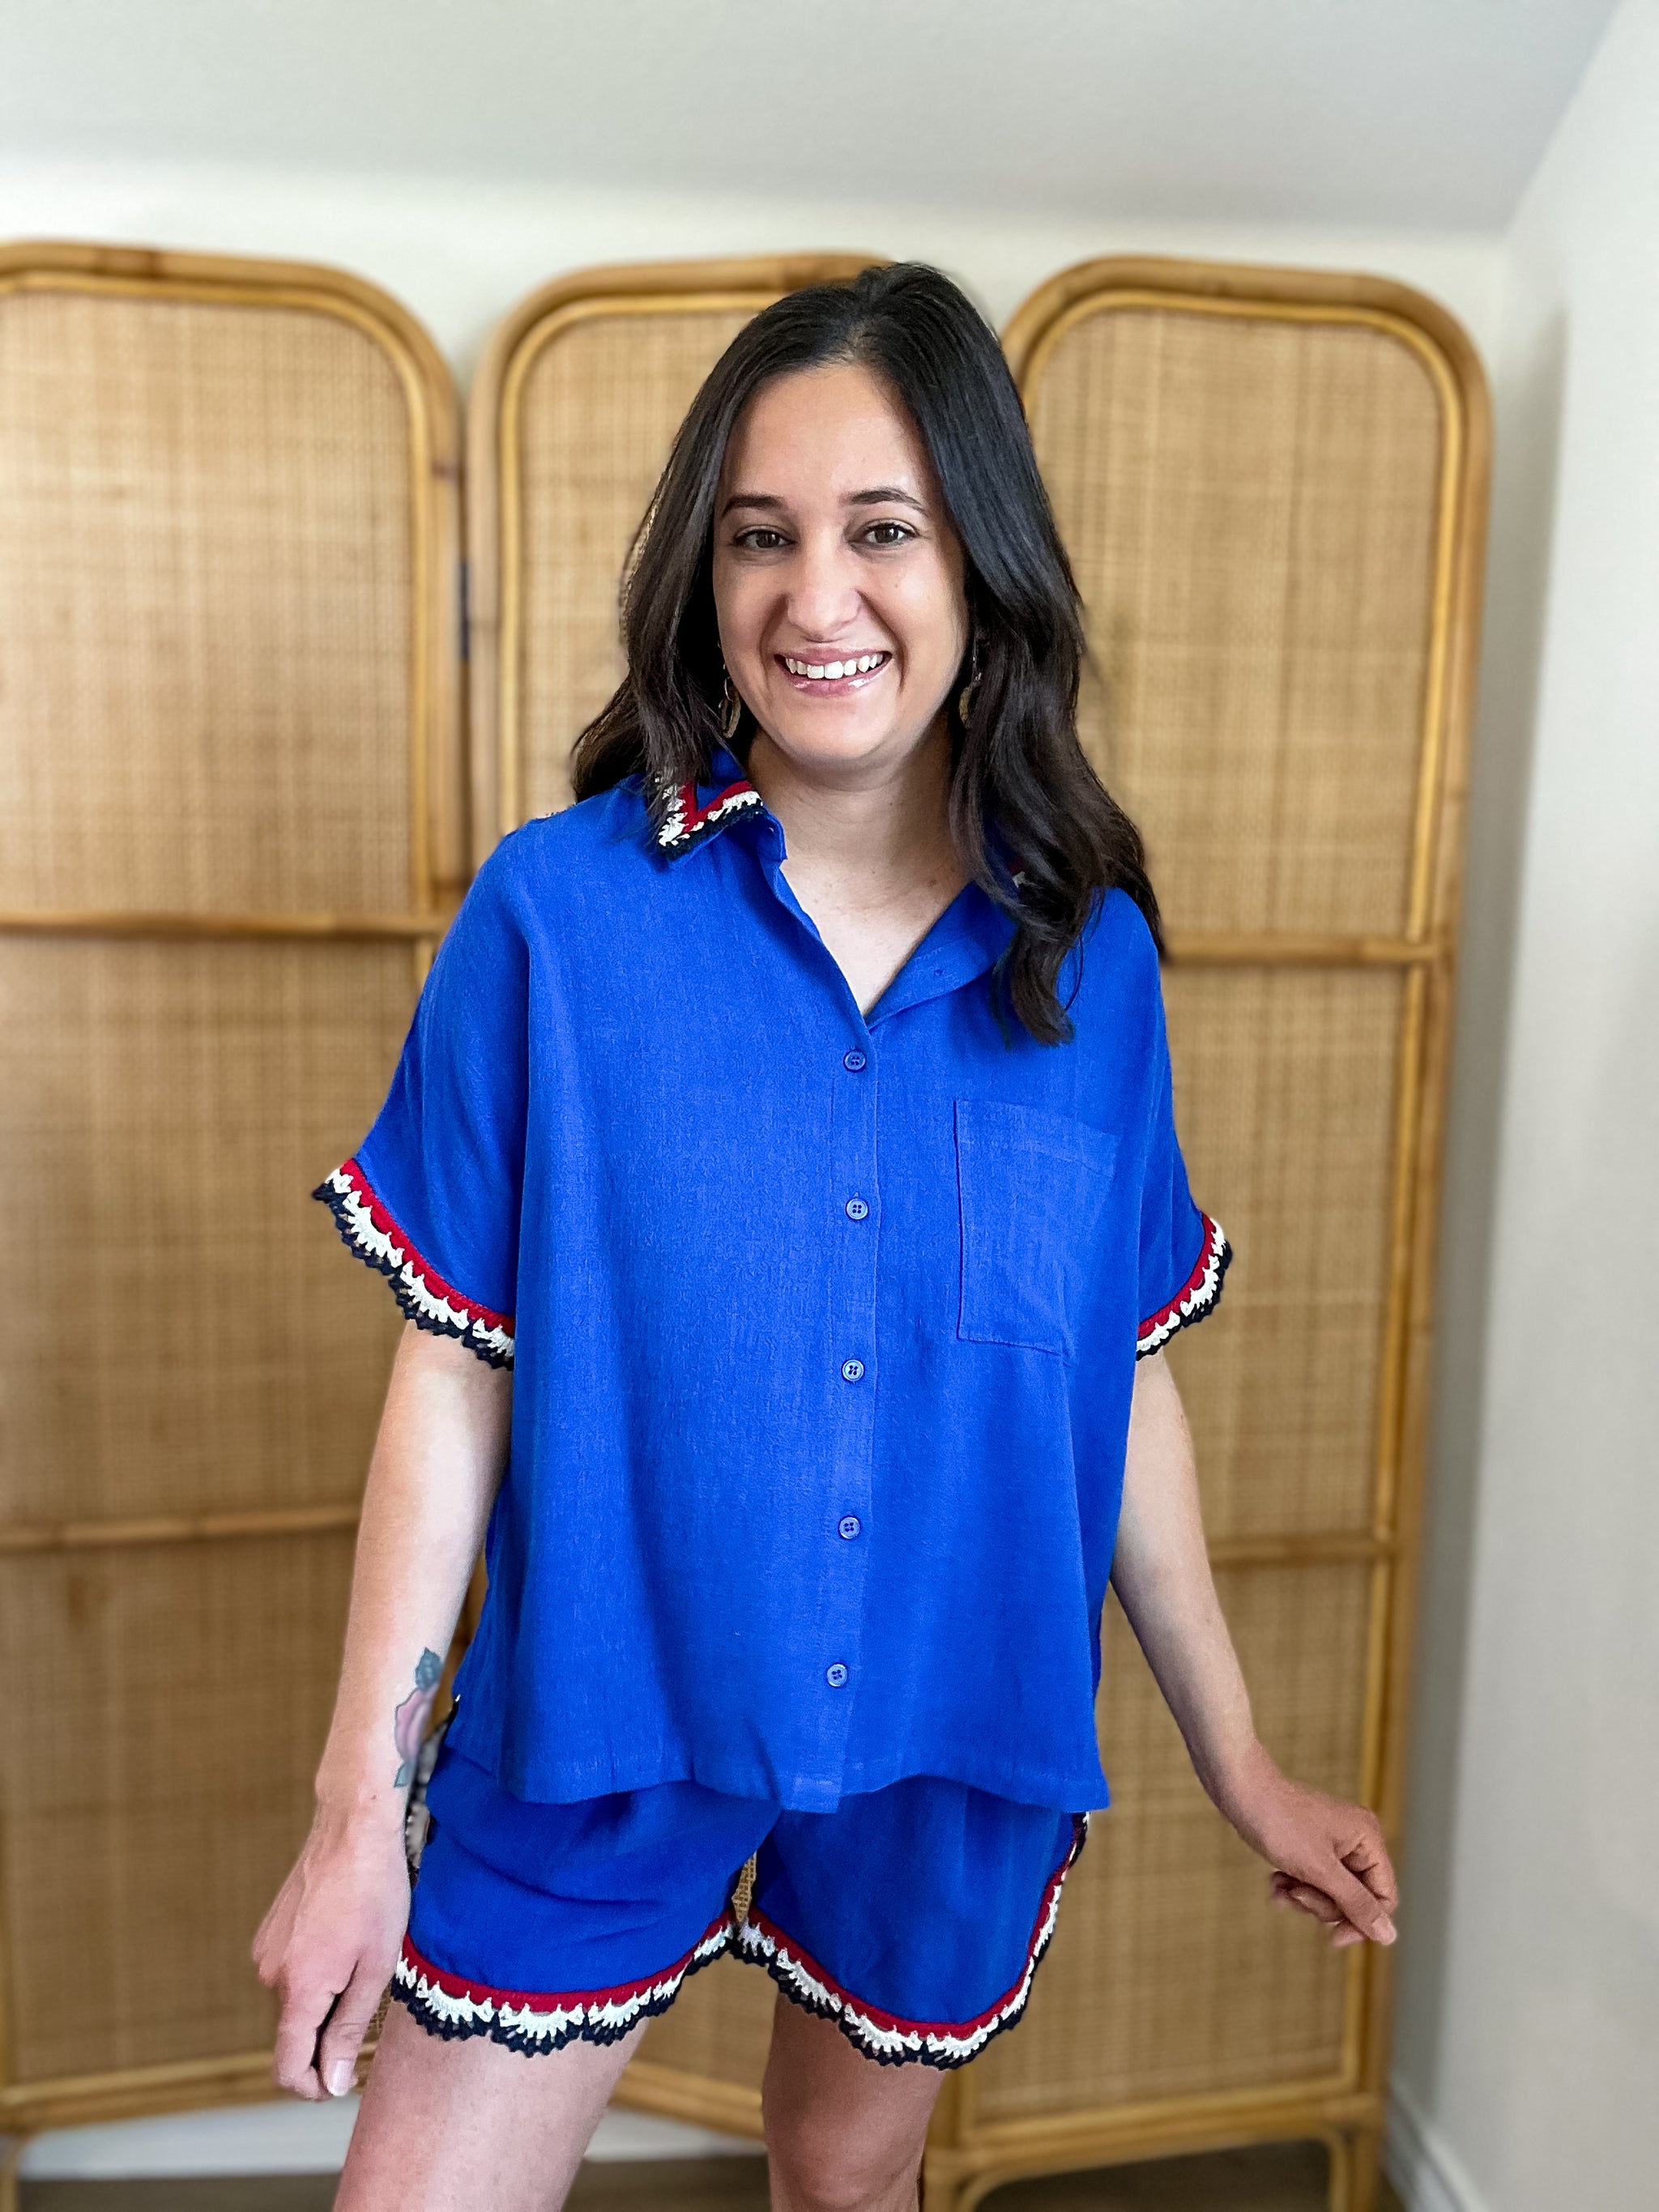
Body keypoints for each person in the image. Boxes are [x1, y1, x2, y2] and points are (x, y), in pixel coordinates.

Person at [254, 262, 1397, 2212]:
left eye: (882, 530)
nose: (815, 597)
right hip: (599, 1711)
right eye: (758, 536)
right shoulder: (557, 919)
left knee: (847, 2190)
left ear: (981, 564)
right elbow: (454, 1374)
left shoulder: (1093, 964)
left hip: (957, 1729)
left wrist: (1246, 1762)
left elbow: (1112, 1382)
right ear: (704, 576)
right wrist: (356, 1807)